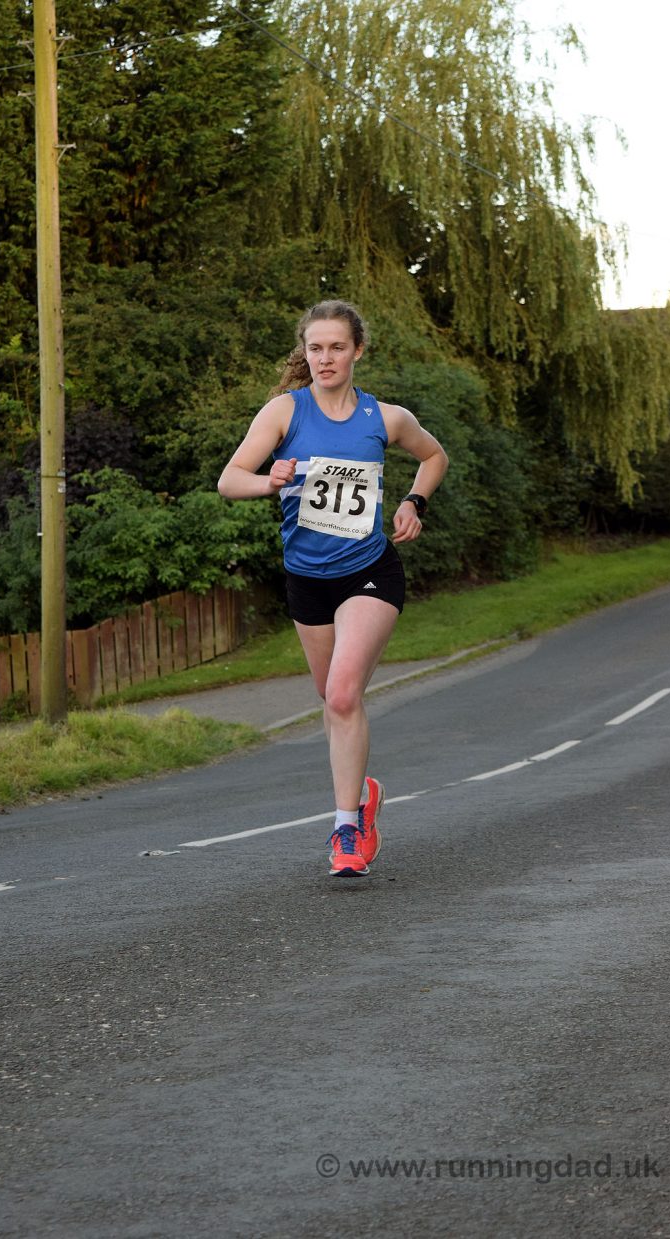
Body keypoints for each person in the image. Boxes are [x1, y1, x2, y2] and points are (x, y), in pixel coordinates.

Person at [218, 300, 448, 876]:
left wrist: (413, 501)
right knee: (331, 698)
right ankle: (363, 797)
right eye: (316, 348)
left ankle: (348, 830)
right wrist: (268, 482)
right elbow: (229, 479)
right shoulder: (283, 412)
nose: (325, 358)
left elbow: (433, 455)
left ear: (357, 352)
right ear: (306, 352)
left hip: (370, 568)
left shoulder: (385, 418)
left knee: (344, 696)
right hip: (307, 578)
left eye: (337, 347)